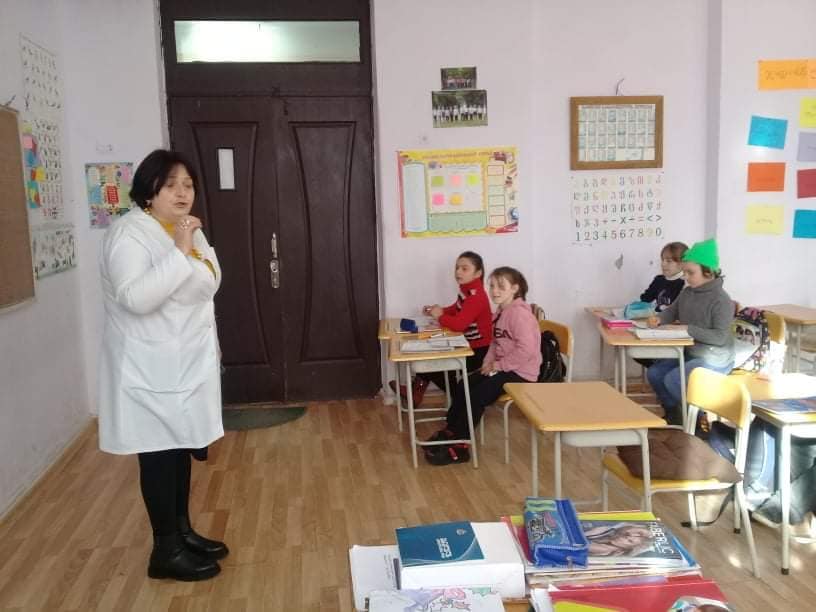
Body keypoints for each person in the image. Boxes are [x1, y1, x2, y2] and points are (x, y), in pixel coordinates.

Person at [97, 149, 228, 581]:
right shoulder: (129, 234)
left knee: (180, 448)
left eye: (187, 184)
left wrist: (186, 244)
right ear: (148, 191)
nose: (181, 193)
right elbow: (135, 298)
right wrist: (181, 250)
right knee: (157, 454)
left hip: (185, 363)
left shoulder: (185, 228)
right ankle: (165, 550)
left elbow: (207, 286)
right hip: (148, 368)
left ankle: (183, 532)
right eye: (170, 185)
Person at [425, 267, 542, 465]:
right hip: (504, 367)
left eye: (501, 286)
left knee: (477, 395)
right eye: (492, 286)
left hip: (521, 372)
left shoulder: (519, 315)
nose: (494, 291)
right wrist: (488, 363)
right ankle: (451, 430)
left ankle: (461, 446)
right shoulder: (501, 312)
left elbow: (527, 351)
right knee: (464, 385)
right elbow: (495, 343)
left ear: (515, 289)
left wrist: (499, 365)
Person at [646, 238, 735, 426]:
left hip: (715, 358)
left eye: (690, 272)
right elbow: (672, 311)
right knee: (655, 373)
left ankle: (698, 417)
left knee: (674, 380)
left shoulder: (721, 300)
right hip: (691, 353)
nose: (685, 277)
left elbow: (720, 337)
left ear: (708, 272)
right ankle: (675, 413)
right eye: (684, 272)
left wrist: (688, 329)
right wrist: (659, 319)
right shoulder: (688, 292)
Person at [389, 251, 492, 406]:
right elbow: (456, 309)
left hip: (478, 351)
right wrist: (438, 311)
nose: (458, 272)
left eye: (464, 269)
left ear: (478, 273)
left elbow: (459, 324)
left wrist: (440, 316)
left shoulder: (476, 296)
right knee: (430, 354)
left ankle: (463, 399)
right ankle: (418, 391)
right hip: (467, 345)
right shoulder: (466, 290)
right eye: (457, 268)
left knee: (433, 363)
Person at [640, 241, 688, 312]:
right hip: (658, 317)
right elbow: (645, 299)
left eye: (669, 261)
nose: (663, 264)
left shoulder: (685, 283)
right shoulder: (659, 280)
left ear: (682, 263)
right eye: (662, 260)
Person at [583, 523, 654, 557]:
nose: (627, 536)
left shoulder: (604, 549)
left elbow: (579, 543)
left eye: (630, 541)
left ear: (628, 548)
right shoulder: (607, 532)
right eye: (639, 533)